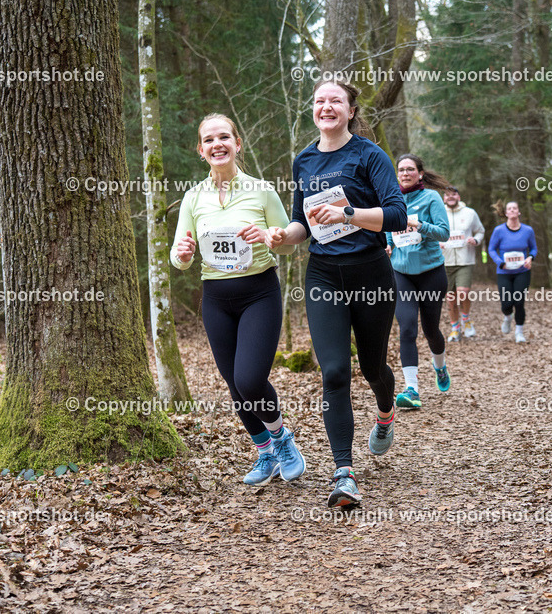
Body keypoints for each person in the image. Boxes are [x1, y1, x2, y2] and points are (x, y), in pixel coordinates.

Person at [266, 80, 407, 509]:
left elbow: (397, 215)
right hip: (324, 276)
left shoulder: (369, 155)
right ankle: (343, 473)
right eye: (319, 101)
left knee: (372, 367)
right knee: (334, 372)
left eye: (336, 101)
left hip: (371, 274)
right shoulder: (304, 160)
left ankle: (385, 412)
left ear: (350, 110)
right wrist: (283, 236)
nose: (326, 107)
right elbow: (302, 222)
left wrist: (347, 213)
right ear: (313, 109)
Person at [170, 113, 305, 486]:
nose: (217, 144)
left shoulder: (262, 191)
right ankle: (266, 453)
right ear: (201, 150)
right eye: (209, 140)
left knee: (249, 379)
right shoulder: (193, 197)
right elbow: (180, 257)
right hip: (216, 298)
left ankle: (283, 440)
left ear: (237, 144)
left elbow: (289, 245)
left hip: (259, 293)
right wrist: (182, 254)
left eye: (224, 137)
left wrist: (274, 237)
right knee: (233, 384)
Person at [386, 155, 451, 409]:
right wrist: (387, 246)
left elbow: (443, 232)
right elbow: (388, 232)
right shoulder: (391, 200)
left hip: (431, 273)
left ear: (420, 173)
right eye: (401, 170)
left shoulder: (431, 198)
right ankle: (411, 389)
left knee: (431, 330)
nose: (405, 173)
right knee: (407, 328)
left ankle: (440, 366)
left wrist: (419, 225)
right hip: (401, 273)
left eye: (410, 169)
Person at [487, 201, 537, 343]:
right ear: (506, 213)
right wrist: (500, 262)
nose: (512, 210)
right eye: (510, 208)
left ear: (519, 212)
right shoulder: (499, 230)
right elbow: (491, 249)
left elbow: (533, 248)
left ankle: (519, 332)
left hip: (522, 271)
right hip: (504, 272)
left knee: (519, 302)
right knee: (506, 303)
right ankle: (508, 317)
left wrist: (530, 258)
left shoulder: (528, 230)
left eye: (515, 208)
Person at [441, 187, 485, 341]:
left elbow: (480, 231)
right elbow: (431, 232)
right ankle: (455, 328)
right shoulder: (438, 213)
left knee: (463, 292)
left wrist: (476, 240)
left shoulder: (470, 213)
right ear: (444, 198)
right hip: (445, 261)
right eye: (447, 195)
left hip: (465, 260)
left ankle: (466, 319)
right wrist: (436, 243)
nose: (450, 197)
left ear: (458, 196)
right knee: (450, 297)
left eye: (453, 194)